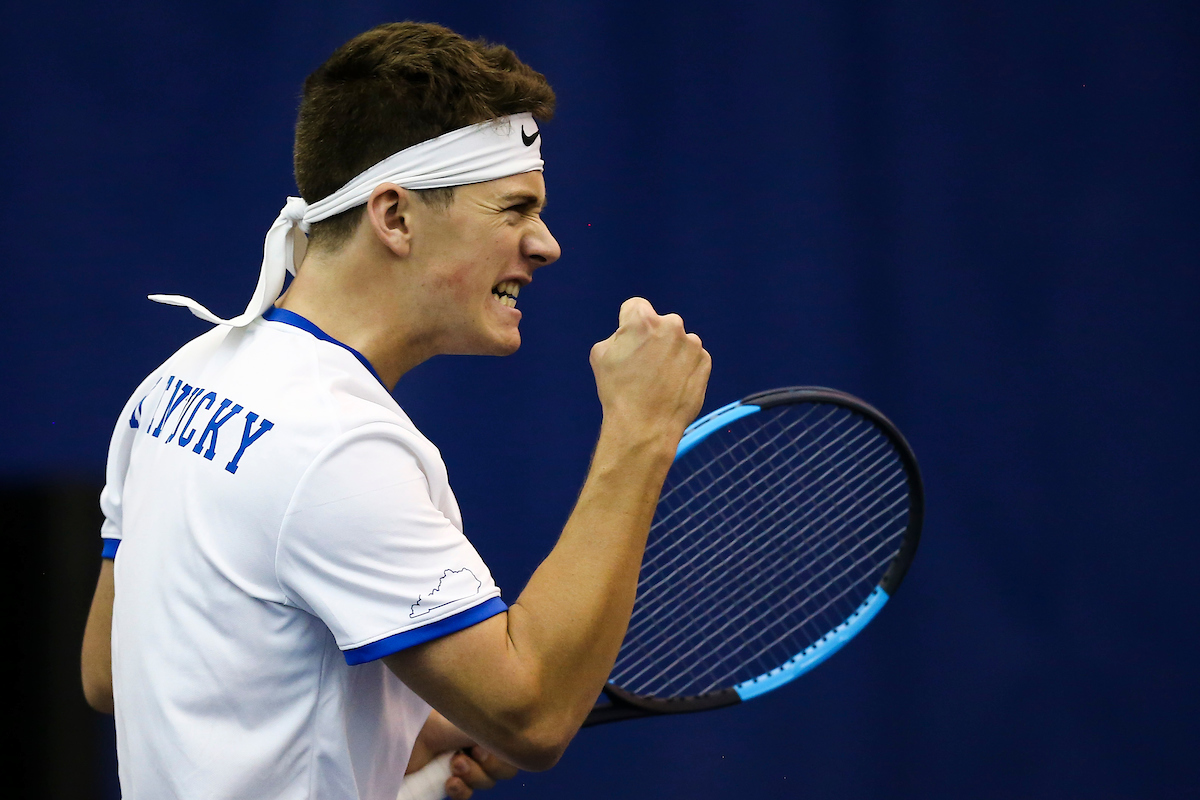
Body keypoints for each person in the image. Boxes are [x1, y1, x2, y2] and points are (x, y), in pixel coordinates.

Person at [80, 21, 710, 800]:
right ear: (396, 217)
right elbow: (535, 712)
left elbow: (114, 673)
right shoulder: (338, 447)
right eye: (513, 209)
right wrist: (641, 431)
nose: (545, 245)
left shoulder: (177, 381)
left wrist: (394, 737)